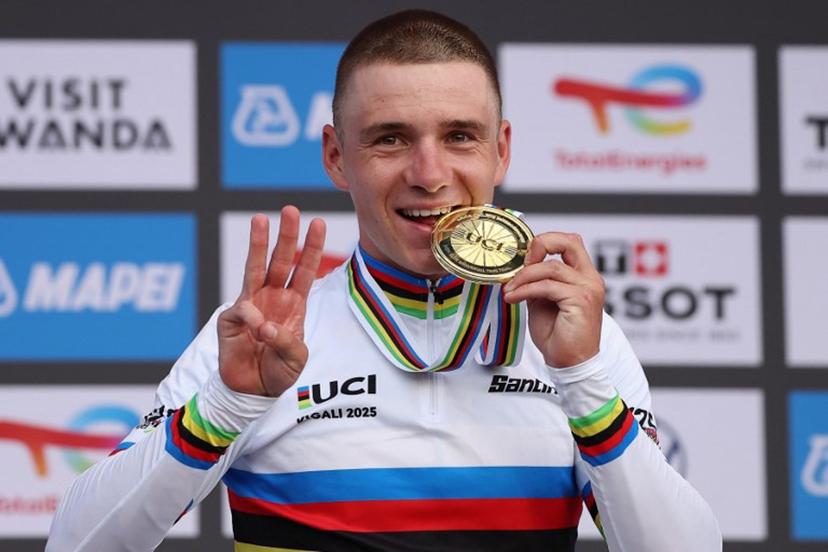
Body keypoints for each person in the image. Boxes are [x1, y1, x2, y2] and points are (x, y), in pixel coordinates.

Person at [47, 9, 721, 552]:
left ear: (501, 150)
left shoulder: (579, 344)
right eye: (391, 139)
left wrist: (585, 386)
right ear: (337, 157)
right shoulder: (266, 339)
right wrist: (225, 408)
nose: (429, 174)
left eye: (459, 135)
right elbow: (77, 543)